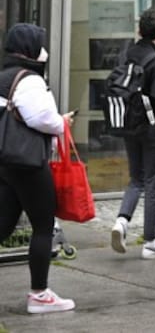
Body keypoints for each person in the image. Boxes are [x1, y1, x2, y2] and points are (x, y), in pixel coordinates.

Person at [0, 23, 76, 313]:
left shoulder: (5, 76)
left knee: (4, 223)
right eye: (40, 45)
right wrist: (62, 122)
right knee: (43, 226)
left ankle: (40, 294)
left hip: (6, 161)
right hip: (28, 162)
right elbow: (42, 118)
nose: (45, 51)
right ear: (31, 49)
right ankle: (39, 294)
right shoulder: (28, 79)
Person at [111, 8, 155, 259]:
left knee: (136, 179)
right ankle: (151, 242)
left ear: (139, 31)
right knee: (153, 184)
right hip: (154, 131)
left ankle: (121, 221)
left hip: (131, 126)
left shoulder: (127, 56)